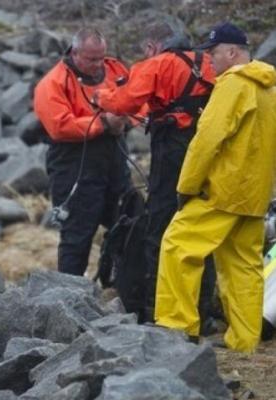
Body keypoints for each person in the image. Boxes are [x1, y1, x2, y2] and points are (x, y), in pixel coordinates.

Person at [154, 22, 276, 352]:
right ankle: (244, 341)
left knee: (177, 246)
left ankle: (176, 327)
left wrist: (187, 186)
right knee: (244, 266)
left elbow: (206, 139)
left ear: (232, 52)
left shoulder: (233, 84)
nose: (208, 60)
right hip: (254, 195)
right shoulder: (268, 87)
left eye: (213, 53)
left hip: (221, 192)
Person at [93, 20, 217, 326]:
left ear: (152, 46)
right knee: (202, 226)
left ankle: (154, 308)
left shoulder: (157, 64)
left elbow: (124, 102)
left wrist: (101, 97)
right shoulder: (209, 62)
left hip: (172, 149)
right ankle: (203, 309)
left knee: (160, 223)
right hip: (207, 149)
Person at [33, 29, 132, 276]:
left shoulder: (116, 69)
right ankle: (68, 300)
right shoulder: (53, 83)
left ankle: (125, 289)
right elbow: (59, 126)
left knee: (129, 225)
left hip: (115, 158)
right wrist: (104, 123)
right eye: (91, 59)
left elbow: (137, 100)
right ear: (74, 53)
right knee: (77, 236)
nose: (98, 64)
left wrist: (125, 119)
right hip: (74, 164)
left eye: (101, 57)